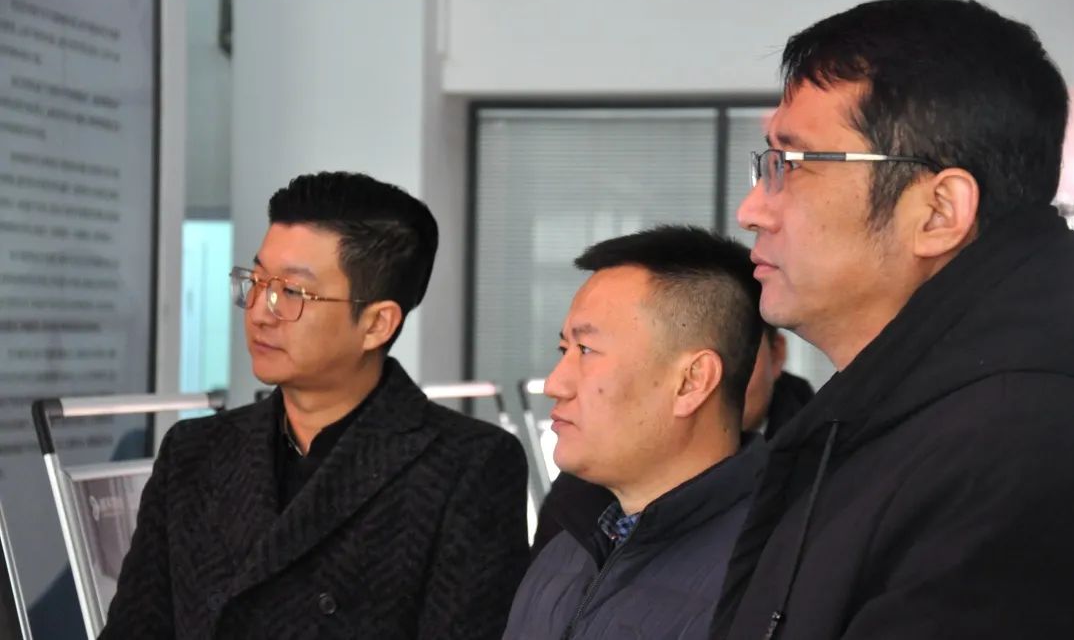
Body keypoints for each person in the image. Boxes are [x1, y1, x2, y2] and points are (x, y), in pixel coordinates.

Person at [713, 0, 1074, 640]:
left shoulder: (1015, 450)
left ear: (939, 212)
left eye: (792, 165)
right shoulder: (888, 409)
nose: (751, 211)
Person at [102, 172, 530, 639]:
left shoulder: (467, 466)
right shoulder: (194, 451)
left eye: (291, 292)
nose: (260, 312)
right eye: (256, 280)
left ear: (376, 324)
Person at [502, 226, 767, 640]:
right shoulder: (568, 549)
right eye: (564, 350)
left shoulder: (767, 574)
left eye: (586, 350)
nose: (555, 384)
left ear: (692, 381)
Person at [530, 322, 811, 557]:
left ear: (777, 354)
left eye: (734, 352)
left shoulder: (816, 481)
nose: (701, 381)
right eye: (568, 350)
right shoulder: (585, 482)